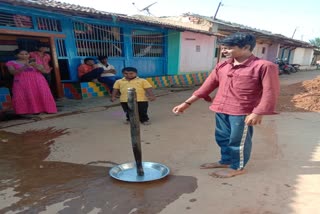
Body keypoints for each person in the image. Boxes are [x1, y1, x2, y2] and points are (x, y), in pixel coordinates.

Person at [172, 32, 280, 178]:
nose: (224, 51)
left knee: (238, 141)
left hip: (243, 112)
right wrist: (187, 103)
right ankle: (226, 161)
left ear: (246, 47)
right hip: (221, 108)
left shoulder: (264, 66)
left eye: (228, 48)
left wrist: (258, 112)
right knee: (222, 137)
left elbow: (270, 91)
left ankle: (237, 167)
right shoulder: (223, 66)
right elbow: (207, 86)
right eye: (223, 47)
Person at [5, 49, 57, 115]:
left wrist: (36, 65)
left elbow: (44, 71)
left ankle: (45, 109)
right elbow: (13, 72)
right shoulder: (11, 62)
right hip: (22, 81)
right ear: (16, 55)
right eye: (21, 54)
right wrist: (25, 66)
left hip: (38, 80)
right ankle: (24, 111)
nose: (24, 56)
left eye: (26, 54)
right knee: (22, 94)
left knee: (41, 94)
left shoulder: (35, 61)